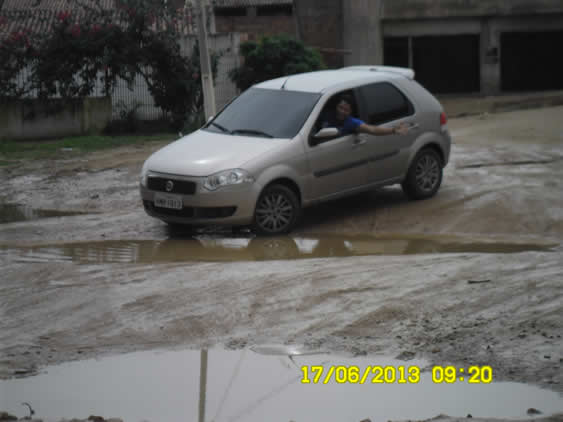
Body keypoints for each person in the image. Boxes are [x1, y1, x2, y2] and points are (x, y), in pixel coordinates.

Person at [320, 94, 409, 136]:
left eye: (346, 110)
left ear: (351, 112)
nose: (342, 112)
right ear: (336, 106)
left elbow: (372, 129)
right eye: (340, 108)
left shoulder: (351, 122)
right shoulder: (326, 115)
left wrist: (393, 130)